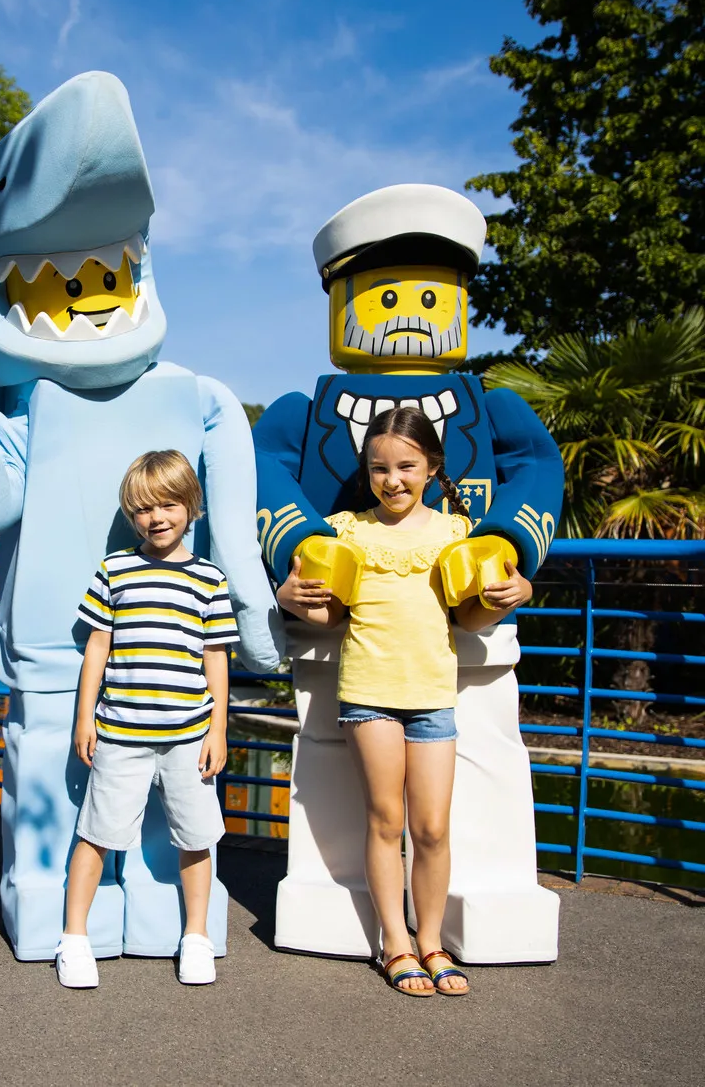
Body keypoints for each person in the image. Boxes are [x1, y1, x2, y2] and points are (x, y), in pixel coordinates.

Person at [276, 407, 533, 997]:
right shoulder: (346, 532)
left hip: (434, 697)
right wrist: (288, 598)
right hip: (368, 694)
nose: (393, 480)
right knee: (386, 820)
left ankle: (433, 940)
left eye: (407, 466)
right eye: (380, 468)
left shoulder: (456, 533)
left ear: (432, 468)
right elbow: (330, 614)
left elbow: (469, 617)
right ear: (367, 472)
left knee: (434, 827)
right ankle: (396, 943)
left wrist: (520, 591)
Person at [55, 449, 238, 988]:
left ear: (191, 507)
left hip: (189, 737)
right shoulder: (115, 569)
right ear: (130, 515)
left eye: (168, 504)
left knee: (196, 837)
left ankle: (197, 937)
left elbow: (216, 657)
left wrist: (219, 728)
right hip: (121, 734)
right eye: (143, 509)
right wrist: (84, 718)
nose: (156, 517)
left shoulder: (210, 580)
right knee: (95, 834)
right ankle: (74, 938)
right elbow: (97, 648)